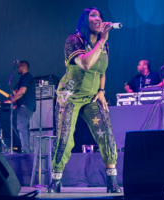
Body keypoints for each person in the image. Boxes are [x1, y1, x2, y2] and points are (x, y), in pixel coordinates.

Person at [46, 7, 121, 193]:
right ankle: (56, 180)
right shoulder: (74, 40)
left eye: (99, 16)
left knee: (106, 132)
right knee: (65, 137)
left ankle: (112, 181)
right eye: (93, 15)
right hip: (69, 95)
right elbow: (86, 64)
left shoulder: (105, 46)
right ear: (85, 21)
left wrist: (102, 90)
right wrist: (102, 40)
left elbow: (102, 70)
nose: (98, 18)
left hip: (91, 96)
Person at [4, 61, 36, 154]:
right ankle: (26, 150)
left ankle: (26, 151)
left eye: (18, 67)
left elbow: (21, 92)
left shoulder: (25, 77)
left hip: (25, 106)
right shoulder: (28, 77)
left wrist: (11, 100)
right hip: (25, 106)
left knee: (22, 127)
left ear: (22, 66)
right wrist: (15, 103)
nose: (17, 69)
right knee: (23, 128)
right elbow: (21, 94)